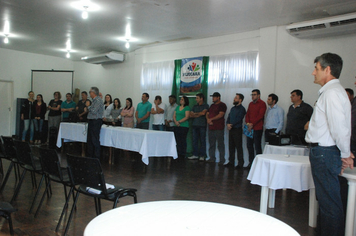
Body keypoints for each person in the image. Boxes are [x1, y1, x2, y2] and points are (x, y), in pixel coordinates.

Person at [306, 53, 354, 236]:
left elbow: (339, 128)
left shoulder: (332, 93)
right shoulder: (331, 92)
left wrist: (344, 154)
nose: (313, 73)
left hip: (325, 153)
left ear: (328, 70)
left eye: (316, 68)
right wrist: (344, 153)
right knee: (328, 202)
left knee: (330, 205)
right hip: (325, 152)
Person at [245, 89, 266, 167]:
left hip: (257, 128)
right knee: (249, 145)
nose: (252, 96)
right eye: (252, 94)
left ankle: (259, 164)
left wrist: (252, 124)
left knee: (257, 146)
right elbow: (247, 114)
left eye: (254, 94)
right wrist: (248, 123)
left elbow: (260, 116)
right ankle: (251, 163)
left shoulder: (262, 104)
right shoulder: (250, 104)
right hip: (249, 129)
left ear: (258, 95)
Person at [226, 93, 246, 168]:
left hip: (237, 129)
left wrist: (231, 124)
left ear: (240, 100)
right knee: (231, 146)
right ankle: (231, 162)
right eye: (235, 98)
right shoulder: (232, 108)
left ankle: (240, 163)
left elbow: (239, 118)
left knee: (238, 147)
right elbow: (229, 117)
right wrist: (227, 123)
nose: (234, 99)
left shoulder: (242, 109)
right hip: (231, 129)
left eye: (236, 98)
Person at [206, 92, 227, 164]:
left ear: (218, 97)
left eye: (214, 97)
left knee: (220, 144)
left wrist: (211, 119)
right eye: (212, 97)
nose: (213, 98)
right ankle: (212, 158)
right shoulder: (212, 105)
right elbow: (207, 114)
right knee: (211, 143)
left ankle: (222, 159)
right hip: (211, 127)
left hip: (219, 127)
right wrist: (208, 119)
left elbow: (221, 115)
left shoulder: (222, 105)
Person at [188, 93, 209, 161]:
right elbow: (190, 115)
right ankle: (195, 155)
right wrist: (199, 114)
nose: (196, 99)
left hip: (202, 125)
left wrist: (195, 114)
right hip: (194, 125)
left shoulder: (206, 105)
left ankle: (202, 155)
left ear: (201, 98)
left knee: (202, 141)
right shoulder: (194, 106)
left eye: (197, 98)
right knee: (194, 141)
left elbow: (203, 113)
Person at [86, 87, 104, 159]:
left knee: (94, 139)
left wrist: (88, 107)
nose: (89, 93)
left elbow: (94, 111)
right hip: (91, 121)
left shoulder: (98, 100)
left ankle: (96, 157)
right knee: (90, 140)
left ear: (93, 93)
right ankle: (90, 156)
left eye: (90, 92)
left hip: (95, 121)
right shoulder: (94, 100)